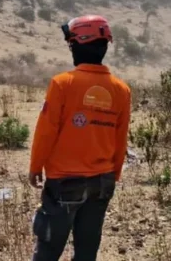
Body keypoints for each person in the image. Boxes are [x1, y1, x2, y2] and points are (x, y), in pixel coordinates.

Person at [29, 15, 131, 261]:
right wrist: (112, 176)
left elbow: (46, 131)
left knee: (48, 249)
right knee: (87, 251)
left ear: (78, 45)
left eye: (71, 44)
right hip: (102, 182)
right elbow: (120, 137)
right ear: (103, 47)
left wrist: (35, 166)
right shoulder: (121, 90)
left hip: (65, 180)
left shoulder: (62, 83)